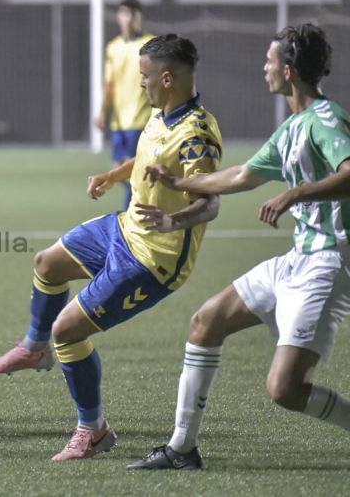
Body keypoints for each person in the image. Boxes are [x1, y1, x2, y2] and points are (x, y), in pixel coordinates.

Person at [0, 34, 223, 461]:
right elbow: (148, 160)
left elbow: (210, 203)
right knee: (48, 264)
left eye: (145, 77)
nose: (140, 85)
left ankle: (92, 431)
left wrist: (172, 221)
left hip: (153, 261)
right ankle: (35, 350)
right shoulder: (162, 113)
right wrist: (114, 176)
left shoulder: (196, 136)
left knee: (69, 331)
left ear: (167, 79)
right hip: (122, 229)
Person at [128, 24, 350, 471]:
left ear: (287, 71)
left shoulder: (327, 120)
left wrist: (294, 194)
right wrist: (180, 181)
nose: (263, 67)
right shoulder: (291, 129)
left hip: (328, 261)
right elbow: (240, 176)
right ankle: (181, 448)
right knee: (206, 320)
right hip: (296, 260)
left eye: (269, 61)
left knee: (284, 390)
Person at [94, 0, 154, 210]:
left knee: (133, 169)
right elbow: (109, 83)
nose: (126, 19)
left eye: (130, 14)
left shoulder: (149, 44)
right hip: (119, 121)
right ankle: (152, 194)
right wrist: (102, 111)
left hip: (140, 119)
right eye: (122, 14)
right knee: (119, 170)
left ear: (138, 16)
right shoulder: (113, 48)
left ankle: (129, 213)